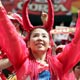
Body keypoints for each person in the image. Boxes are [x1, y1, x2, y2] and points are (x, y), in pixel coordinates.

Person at [0, 0, 80, 80]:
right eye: (35, 36)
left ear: (49, 44)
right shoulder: (22, 61)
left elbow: (77, 44)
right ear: (28, 44)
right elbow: (10, 35)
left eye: (44, 36)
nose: (40, 38)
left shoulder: (60, 63)